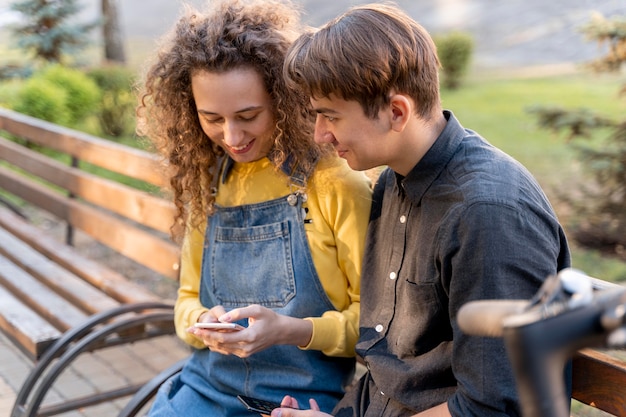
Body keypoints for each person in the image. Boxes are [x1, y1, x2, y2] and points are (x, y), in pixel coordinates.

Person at [276, 3, 571, 417]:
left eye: (330, 117)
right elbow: (392, 369)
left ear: (396, 112)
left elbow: (493, 408)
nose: (320, 135)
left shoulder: (486, 215)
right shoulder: (394, 181)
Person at [135, 0, 372, 416]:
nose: (231, 135)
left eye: (248, 115)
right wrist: (204, 324)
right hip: (204, 387)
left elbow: (374, 326)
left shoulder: (334, 185)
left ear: (284, 100)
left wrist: (293, 331)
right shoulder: (210, 183)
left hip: (294, 402)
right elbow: (185, 301)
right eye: (212, 118)